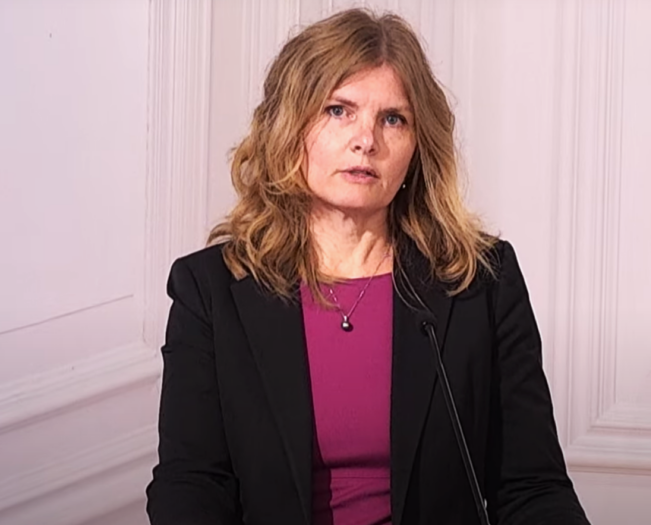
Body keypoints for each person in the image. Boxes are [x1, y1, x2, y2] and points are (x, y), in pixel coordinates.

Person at [145, 8, 590, 525]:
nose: (366, 140)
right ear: (290, 126)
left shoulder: (480, 282)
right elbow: (193, 484)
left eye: (392, 118)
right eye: (338, 110)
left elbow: (531, 486)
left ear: (417, 145)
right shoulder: (212, 290)